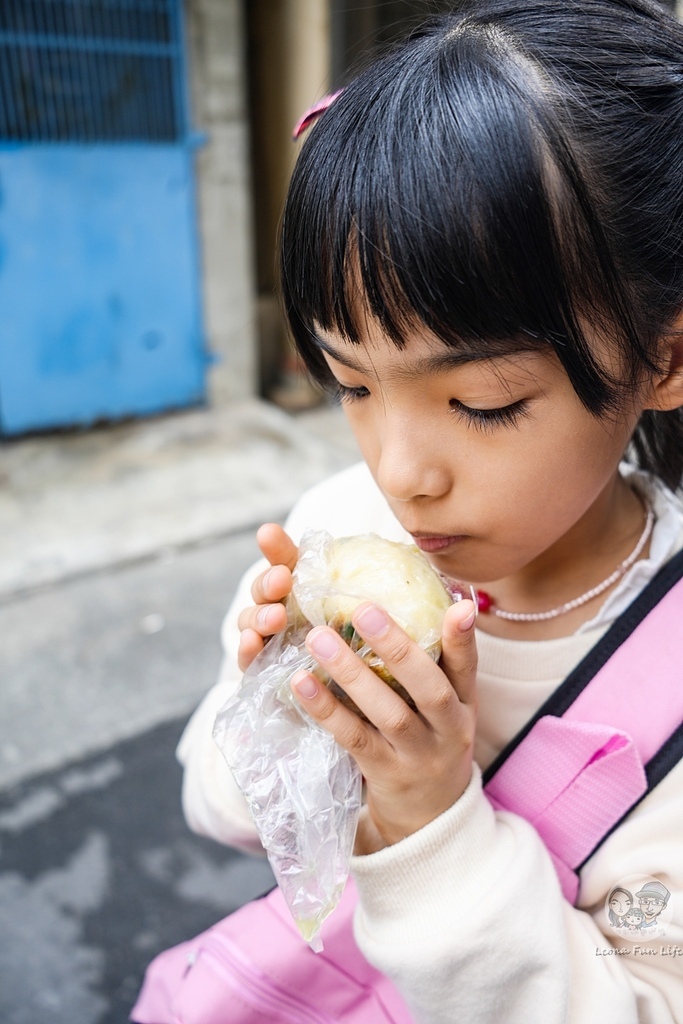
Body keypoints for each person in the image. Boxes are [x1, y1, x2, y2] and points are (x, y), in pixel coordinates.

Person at [177, 2, 683, 1020]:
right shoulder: (338, 519)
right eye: (352, 385)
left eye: (480, 403)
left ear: (662, 356)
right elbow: (215, 809)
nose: (400, 473)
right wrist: (281, 706)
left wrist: (428, 817)